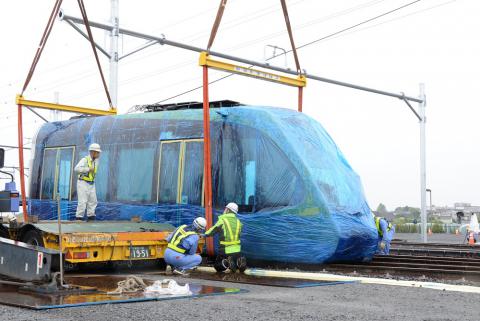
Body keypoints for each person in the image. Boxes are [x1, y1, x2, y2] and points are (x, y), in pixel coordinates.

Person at [205, 202, 246, 273]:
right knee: (234, 266)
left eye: (226, 208)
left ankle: (227, 263)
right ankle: (239, 262)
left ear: (228, 210)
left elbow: (212, 231)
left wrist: (204, 234)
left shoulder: (223, 220)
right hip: (237, 249)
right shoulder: (238, 222)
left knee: (217, 266)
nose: (224, 210)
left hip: (225, 249)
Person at [74, 143, 101, 221]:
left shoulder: (96, 161)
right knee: (82, 201)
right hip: (83, 182)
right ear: (93, 152)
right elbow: (76, 169)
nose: (99, 154)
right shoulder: (84, 160)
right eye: (97, 152)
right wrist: (88, 169)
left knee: (93, 201)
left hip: (91, 183)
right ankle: (79, 218)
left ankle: (91, 217)